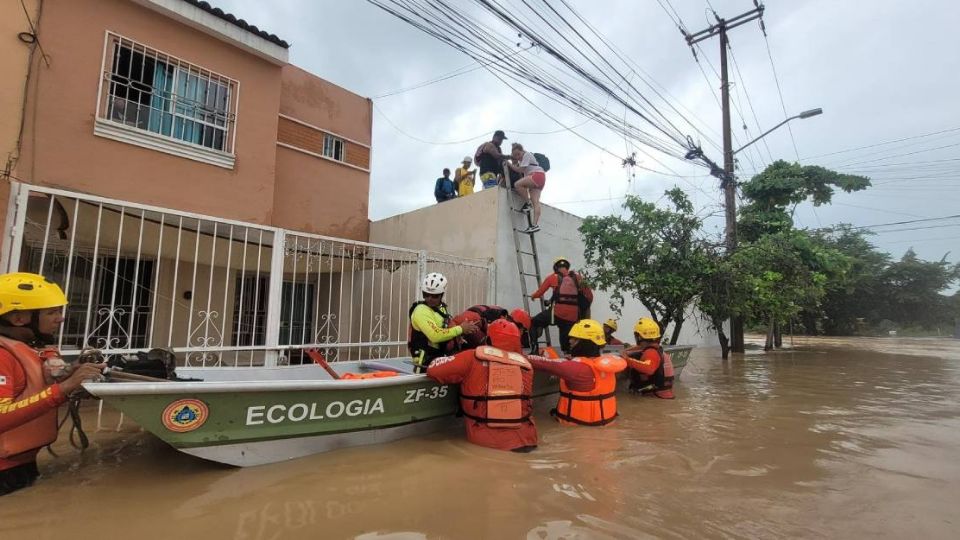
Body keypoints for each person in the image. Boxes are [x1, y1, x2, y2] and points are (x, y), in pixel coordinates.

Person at [1, 272, 105, 496]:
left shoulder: (30, 349)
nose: (61, 318)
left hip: (20, 465)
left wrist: (73, 379)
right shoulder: (2, 356)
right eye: (52, 312)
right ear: (19, 319)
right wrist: (64, 388)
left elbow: (34, 394)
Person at [427, 319, 596, 452]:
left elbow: (434, 370)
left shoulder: (472, 357)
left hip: (491, 446)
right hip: (529, 441)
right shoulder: (526, 365)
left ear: (489, 338)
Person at [545, 319, 626, 426]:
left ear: (585, 342)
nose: (570, 341)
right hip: (606, 424)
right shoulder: (605, 365)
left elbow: (547, 365)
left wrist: (546, 352)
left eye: (574, 338)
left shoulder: (579, 368)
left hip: (576, 430)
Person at [408, 273, 478, 373]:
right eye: (426, 294)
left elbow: (446, 327)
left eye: (434, 296)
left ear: (441, 295)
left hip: (440, 359)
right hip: (425, 364)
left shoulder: (440, 309)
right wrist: (460, 329)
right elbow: (435, 335)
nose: (429, 299)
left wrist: (457, 337)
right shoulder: (421, 310)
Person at [529, 257, 591, 354]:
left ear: (555, 267)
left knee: (534, 322)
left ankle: (534, 349)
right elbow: (590, 296)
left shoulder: (552, 277)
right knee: (566, 336)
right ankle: (569, 355)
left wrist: (533, 296)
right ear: (567, 267)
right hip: (573, 316)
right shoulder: (578, 277)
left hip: (557, 314)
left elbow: (539, 293)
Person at [623, 317, 675, 399]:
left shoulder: (651, 353)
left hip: (655, 398)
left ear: (639, 337)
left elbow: (649, 368)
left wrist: (626, 359)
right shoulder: (656, 349)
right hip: (662, 397)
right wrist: (626, 350)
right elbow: (640, 347)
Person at [505, 142, 545, 233]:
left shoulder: (527, 154)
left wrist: (509, 164)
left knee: (517, 184)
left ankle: (527, 203)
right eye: (516, 156)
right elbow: (521, 169)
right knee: (536, 202)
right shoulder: (523, 159)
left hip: (536, 175)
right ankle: (534, 225)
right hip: (540, 178)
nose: (518, 157)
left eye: (518, 154)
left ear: (522, 151)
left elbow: (521, 170)